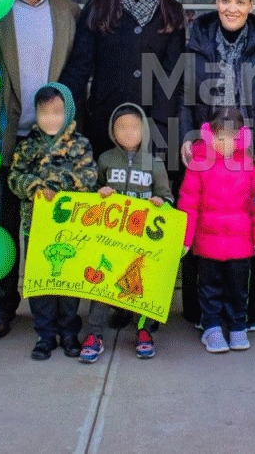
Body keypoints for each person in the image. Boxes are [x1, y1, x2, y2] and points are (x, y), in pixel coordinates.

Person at [0, 0, 80, 340]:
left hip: (54, 142)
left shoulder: (68, 10)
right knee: (5, 226)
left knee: (50, 231)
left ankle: (53, 311)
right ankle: (3, 306)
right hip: (9, 137)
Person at [178, 0, 255, 331]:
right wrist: (185, 136)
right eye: (226, 0)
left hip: (251, 156)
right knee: (206, 226)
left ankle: (252, 312)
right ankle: (202, 313)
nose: (232, 8)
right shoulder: (195, 44)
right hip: (207, 152)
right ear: (216, 2)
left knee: (253, 229)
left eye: (240, 2)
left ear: (251, 6)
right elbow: (183, 98)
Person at [59, 0, 186, 169]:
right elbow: (80, 66)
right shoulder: (98, 6)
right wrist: (59, 106)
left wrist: (158, 125)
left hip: (154, 126)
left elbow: (173, 76)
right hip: (105, 121)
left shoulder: (171, 11)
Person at [6, 83, 97, 360]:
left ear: (68, 111)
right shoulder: (28, 146)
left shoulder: (80, 145)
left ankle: (69, 332)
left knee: (68, 281)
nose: (50, 118)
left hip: (70, 227)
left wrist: (56, 185)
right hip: (35, 226)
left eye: (57, 112)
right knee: (41, 281)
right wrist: (33, 186)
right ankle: (45, 334)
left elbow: (89, 178)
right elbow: (14, 177)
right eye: (44, 112)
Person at [78, 103, 174, 362]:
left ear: (144, 130)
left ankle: (143, 330)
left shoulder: (154, 163)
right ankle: (95, 334)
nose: (129, 132)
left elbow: (168, 198)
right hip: (111, 239)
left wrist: (160, 202)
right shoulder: (106, 159)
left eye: (134, 127)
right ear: (112, 131)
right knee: (101, 283)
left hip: (141, 241)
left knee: (141, 285)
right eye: (122, 127)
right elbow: (92, 192)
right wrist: (100, 194)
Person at [178, 107, 255, 353]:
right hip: (208, 245)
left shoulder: (249, 166)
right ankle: (211, 328)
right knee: (209, 288)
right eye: (220, 137)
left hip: (240, 246)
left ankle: (237, 325)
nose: (225, 143)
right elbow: (188, 204)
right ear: (210, 136)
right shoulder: (198, 164)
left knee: (238, 289)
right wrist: (185, 239)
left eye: (231, 137)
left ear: (241, 137)